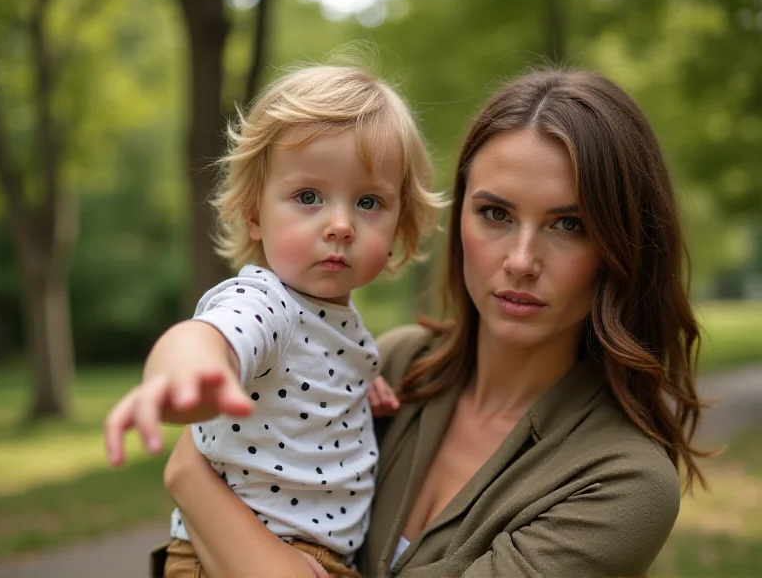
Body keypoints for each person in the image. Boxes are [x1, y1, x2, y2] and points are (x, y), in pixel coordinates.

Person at [108, 67, 708, 577]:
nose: (520, 261)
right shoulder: (395, 366)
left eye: (568, 224)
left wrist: (191, 478)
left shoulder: (620, 482)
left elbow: (195, 461)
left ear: (624, 246)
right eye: (495, 213)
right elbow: (213, 339)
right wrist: (179, 386)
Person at [103, 64, 442, 577]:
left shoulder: (339, 322)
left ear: (399, 225)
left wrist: (359, 387)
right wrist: (185, 373)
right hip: (223, 555)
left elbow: (314, 378)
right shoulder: (268, 302)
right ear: (256, 213)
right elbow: (212, 335)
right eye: (309, 197)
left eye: (369, 202)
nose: (341, 226)